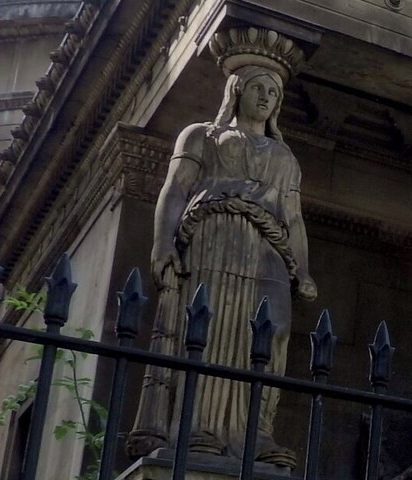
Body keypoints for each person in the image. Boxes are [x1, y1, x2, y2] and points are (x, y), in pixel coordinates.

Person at [133, 28, 314, 468]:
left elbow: (294, 220)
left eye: (274, 92)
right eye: (259, 88)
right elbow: (175, 191)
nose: (267, 97)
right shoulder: (202, 137)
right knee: (209, 328)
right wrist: (162, 244)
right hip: (214, 238)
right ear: (237, 90)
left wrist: (303, 272)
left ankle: (256, 432)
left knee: (272, 333)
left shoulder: (285, 158)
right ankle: (198, 427)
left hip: (268, 247)